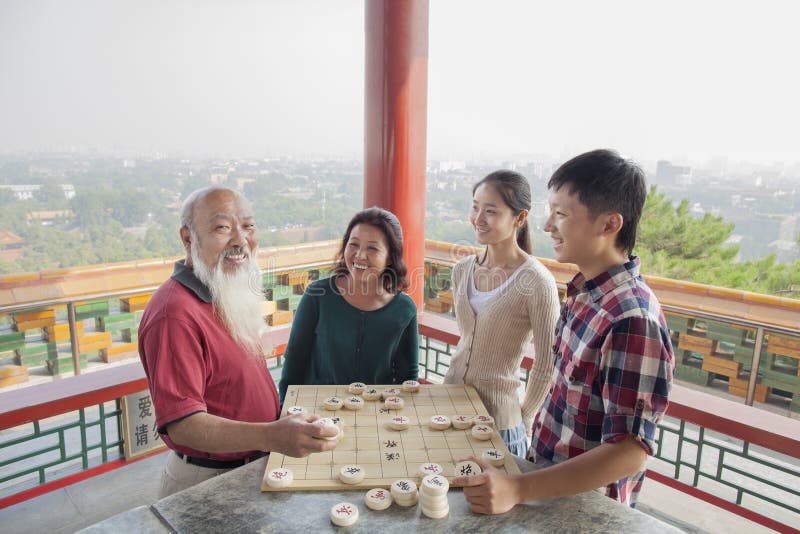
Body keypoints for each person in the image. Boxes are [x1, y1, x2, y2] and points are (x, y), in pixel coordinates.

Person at [454, 149, 674, 512]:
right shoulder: (583, 295)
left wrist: (519, 488)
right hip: (546, 484)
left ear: (609, 224)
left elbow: (629, 452)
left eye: (561, 214)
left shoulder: (631, 319)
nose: (546, 226)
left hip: (582, 510)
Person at [138, 186, 338, 498]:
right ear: (188, 238)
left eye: (248, 226)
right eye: (222, 227)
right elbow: (184, 424)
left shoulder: (223, 290)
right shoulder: (174, 313)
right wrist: (272, 435)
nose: (240, 240)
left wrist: (277, 425)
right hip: (207, 480)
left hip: (251, 465)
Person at [443, 170, 560, 456]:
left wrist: (524, 416)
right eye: (475, 207)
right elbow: (469, 339)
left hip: (501, 422)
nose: (478, 218)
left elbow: (547, 364)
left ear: (519, 218)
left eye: (491, 211)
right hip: (448, 407)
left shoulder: (537, 282)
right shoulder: (462, 270)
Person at [278, 207, 419, 403]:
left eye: (372, 248)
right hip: (317, 413)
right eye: (353, 245)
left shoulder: (404, 309)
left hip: (375, 415)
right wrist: (285, 409)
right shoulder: (318, 296)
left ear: (390, 256)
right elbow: (294, 362)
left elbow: (407, 376)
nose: (360, 255)